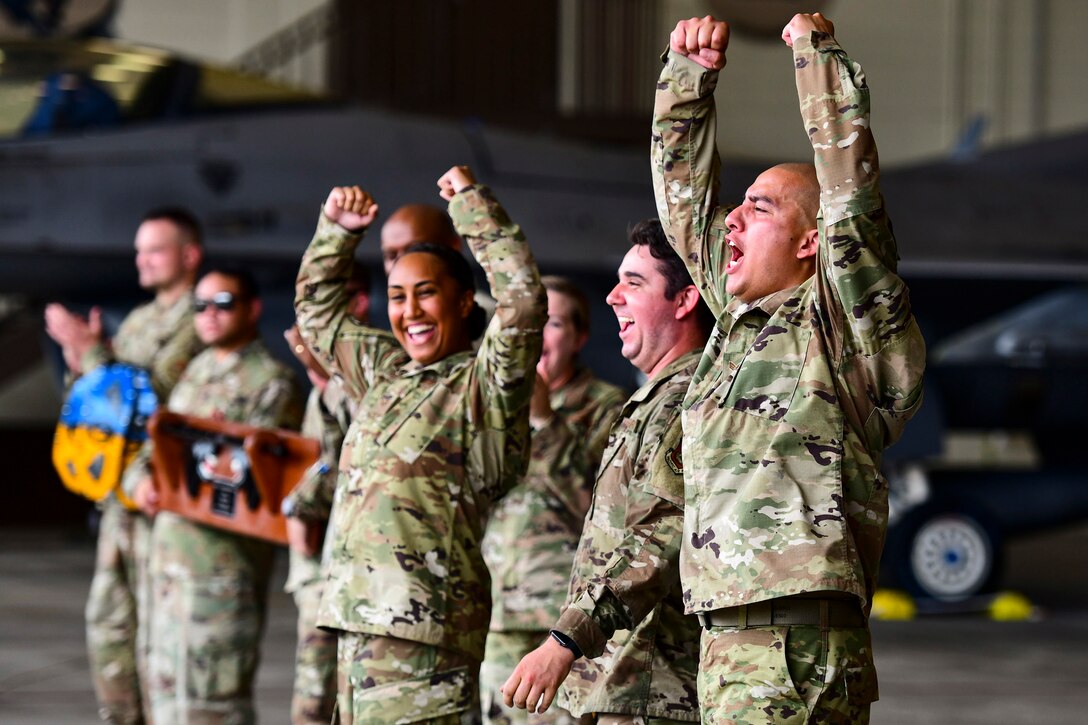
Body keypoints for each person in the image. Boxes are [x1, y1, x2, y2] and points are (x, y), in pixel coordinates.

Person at [651, 13, 927, 723]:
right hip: (727, 640)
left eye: (759, 207)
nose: (732, 220)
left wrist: (815, 57)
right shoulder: (739, 328)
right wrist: (686, 82)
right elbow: (685, 209)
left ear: (811, 243)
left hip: (792, 643)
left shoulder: (841, 323)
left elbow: (850, 199)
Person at [294, 166, 545, 724]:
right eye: (397, 297)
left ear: (464, 302)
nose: (409, 312)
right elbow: (319, 318)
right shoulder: (385, 375)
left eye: (426, 294)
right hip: (357, 629)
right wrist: (336, 233)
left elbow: (524, 304)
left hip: (425, 638)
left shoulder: (484, 386)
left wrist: (473, 209)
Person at [501, 219, 714, 723]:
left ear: (684, 300)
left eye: (633, 283)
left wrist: (565, 640)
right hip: (622, 678)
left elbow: (659, 538)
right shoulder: (656, 399)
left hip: (651, 684)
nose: (613, 297)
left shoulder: (684, 402)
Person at [44, 206, 204, 725]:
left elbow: (148, 400)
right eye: (139, 251)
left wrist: (93, 355)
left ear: (189, 255)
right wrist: (81, 364)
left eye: (155, 250)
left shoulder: (197, 321)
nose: (143, 260)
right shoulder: (137, 321)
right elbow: (101, 410)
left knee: (161, 641)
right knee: (109, 628)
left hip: (163, 501)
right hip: (120, 500)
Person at [128, 268, 303, 724]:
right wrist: (142, 483)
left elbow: (262, 479)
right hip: (169, 569)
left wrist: (185, 469)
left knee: (214, 705)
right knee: (165, 697)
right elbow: (154, 449)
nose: (208, 314)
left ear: (252, 309)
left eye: (222, 303)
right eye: (200, 306)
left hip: (221, 575)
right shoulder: (195, 372)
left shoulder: (271, 382)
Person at [479, 275, 625, 724]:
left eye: (553, 323)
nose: (538, 337)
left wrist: (544, 419)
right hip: (498, 613)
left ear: (579, 337)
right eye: (531, 324)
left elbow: (601, 506)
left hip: (565, 621)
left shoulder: (607, 405)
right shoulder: (494, 407)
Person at [282, 262, 371, 725]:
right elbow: (325, 461)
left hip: (364, 578)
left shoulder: (376, 370)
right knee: (313, 700)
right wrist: (299, 506)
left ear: (359, 303)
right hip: (323, 572)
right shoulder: (327, 384)